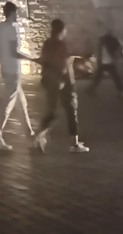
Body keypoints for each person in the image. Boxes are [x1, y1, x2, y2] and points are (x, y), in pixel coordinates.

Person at [33, 19, 89, 153]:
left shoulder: (48, 43)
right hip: (64, 82)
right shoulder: (61, 44)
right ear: (62, 30)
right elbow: (64, 65)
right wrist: (65, 80)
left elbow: (45, 60)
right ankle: (74, 144)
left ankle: (40, 136)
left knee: (52, 110)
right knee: (71, 111)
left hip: (50, 81)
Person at [0, 1, 36, 151]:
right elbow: (14, 52)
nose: (17, 15)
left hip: (5, 70)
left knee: (21, 104)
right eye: (16, 12)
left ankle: (31, 137)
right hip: (13, 71)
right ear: (12, 13)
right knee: (7, 105)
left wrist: (4, 60)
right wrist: (33, 59)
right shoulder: (12, 29)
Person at [90, 30, 123, 94]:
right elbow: (118, 48)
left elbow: (100, 52)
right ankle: (122, 89)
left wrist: (98, 60)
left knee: (99, 76)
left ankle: (91, 90)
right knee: (115, 76)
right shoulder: (112, 41)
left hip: (104, 62)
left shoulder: (102, 41)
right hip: (109, 61)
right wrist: (116, 57)